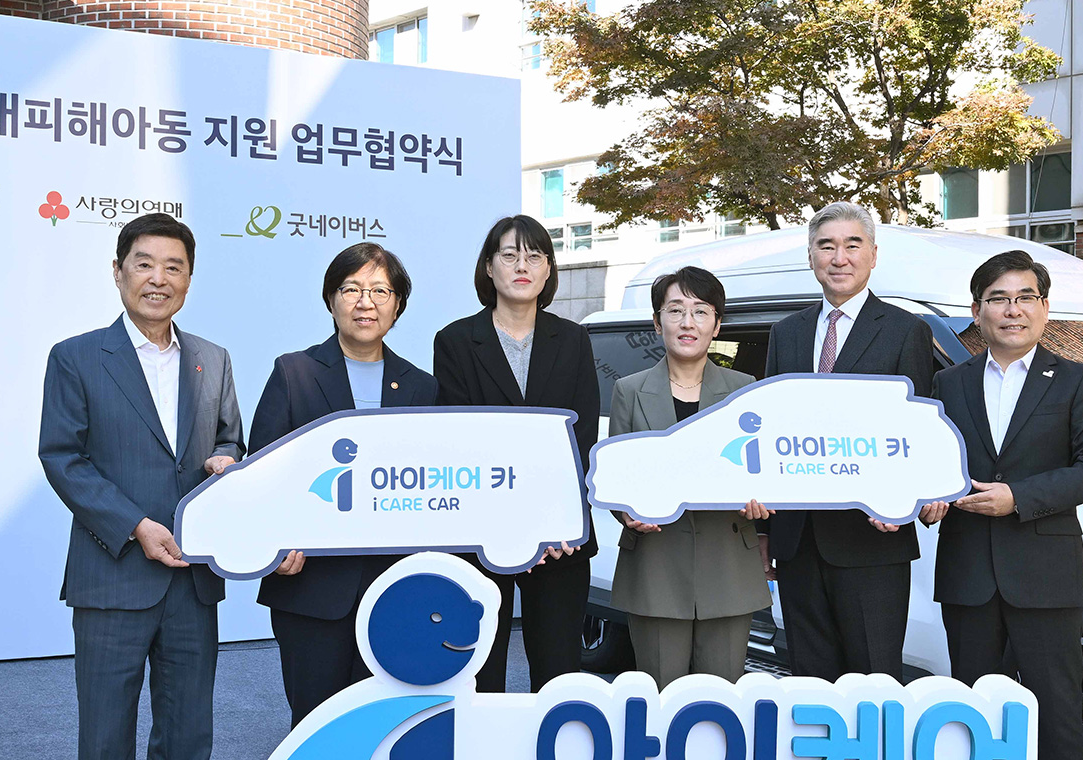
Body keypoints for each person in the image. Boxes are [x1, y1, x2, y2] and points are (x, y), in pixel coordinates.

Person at [38, 212, 246, 760]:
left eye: (174, 267)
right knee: (107, 738)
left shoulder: (213, 359)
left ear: (189, 278)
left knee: (187, 733)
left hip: (191, 579)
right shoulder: (77, 357)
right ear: (119, 270)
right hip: (114, 573)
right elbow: (63, 457)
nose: (159, 279)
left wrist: (228, 461)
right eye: (146, 264)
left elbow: (231, 438)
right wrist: (133, 525)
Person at [919, 249, 1083, 760]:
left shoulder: (1077, 381)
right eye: (998, 299)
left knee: (1055, 705)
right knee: (975, 705)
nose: (1012, 310)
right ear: (977, 312)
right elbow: (930, 464)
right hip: (969, 570)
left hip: (1044, 567)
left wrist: (1019, 498)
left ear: (1044, 308)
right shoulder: (948, 385)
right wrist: (925, 497)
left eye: (1025, 297)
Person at [252, 243, 437, 724]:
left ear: (398, 304)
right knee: (315, 724)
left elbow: (434, 484)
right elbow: (263, 473)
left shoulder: (422, 386)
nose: (365, 302)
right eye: (351, 289)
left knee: (385, 722)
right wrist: (276, 543)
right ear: (331, 300)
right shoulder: (293, 372)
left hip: (396, 589)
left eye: (380, 291)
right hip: (311, 588)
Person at [762, 203, 939, 681]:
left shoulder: (906, 331)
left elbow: (920, 430)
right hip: (798, 541)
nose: (839, 257)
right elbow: (771, 430)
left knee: (873, 682)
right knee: (809, 684)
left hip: (872, 541)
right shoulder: (786, 333)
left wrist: (907, 501)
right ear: (811, 257)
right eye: (826, 246)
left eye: (852, 245)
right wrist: (764, 533)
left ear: (873, 255)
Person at [433, 215, 599, 692]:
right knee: (480, 672)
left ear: (548, 269)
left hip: (559, 539)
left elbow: (581, 438)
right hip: (482, 533)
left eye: (534, 256)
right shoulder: (456, 341)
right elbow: (459, 443)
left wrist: (557, 521)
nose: (522, 266)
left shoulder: (573, 339)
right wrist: (510, 525)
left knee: (558, 674)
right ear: (489, 267)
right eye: (509, 255)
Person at [607, 267, 772, 683]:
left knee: (722, 701)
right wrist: (626, 513)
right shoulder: (629, 390)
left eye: (700, 311)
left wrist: (761, 502)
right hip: (655, 567)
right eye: (675, 310)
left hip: (728, 563)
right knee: (661, 696)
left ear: (716, 325)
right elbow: (616, 478)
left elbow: (761, 469)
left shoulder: (745, 388)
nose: (687, 322)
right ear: (657, 321)